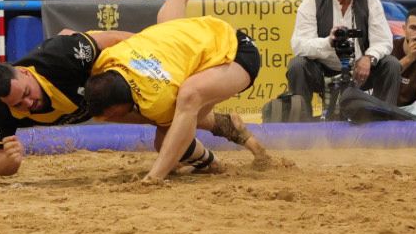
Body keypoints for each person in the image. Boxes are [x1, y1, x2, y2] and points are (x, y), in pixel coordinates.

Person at [0, 0, 221, 177]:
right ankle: (219, 142)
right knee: (164, 123)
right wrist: (9, 163)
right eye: (18, 104)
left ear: (26, 73)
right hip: (97, 103)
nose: (28, 103)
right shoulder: (0, 106)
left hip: (110, 69)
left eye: (26, 93)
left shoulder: (59, 56)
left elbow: (115, 39)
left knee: (169, 40)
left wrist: (155, 51)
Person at [86, 12, 276, 181]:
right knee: (174, 126)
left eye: (112, 114)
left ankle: (157, 175)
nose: (111, 118)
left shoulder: (156, 98)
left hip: (237, 53)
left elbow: (180, 132)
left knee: (187, 100)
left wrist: (156, 173)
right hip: (204, 41)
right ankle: (222, 139)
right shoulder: (108, 57)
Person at [283, 0, 401, 117]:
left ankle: (383, 123)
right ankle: (302, 125)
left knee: (391, 64)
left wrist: (369, 57)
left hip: (361, 70)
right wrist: (328, 42)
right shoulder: (312, 2)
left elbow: (383, 41)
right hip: (323, 69)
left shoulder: (370, 1)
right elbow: (299, 45)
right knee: (297, 65)